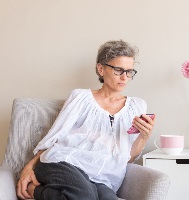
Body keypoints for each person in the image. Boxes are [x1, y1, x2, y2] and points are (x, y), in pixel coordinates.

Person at [16, 40, 155, 200]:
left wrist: (144, 136)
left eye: (129, 71)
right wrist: (29, 167)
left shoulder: (136, 106)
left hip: (102, 175)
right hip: (64, 162)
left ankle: (46, 190)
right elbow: (54, 136)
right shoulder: (80, 97)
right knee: (84, 195)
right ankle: (35, 191)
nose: (124, 77)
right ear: (101, 69)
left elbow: (127, 157)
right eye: (118, 70)